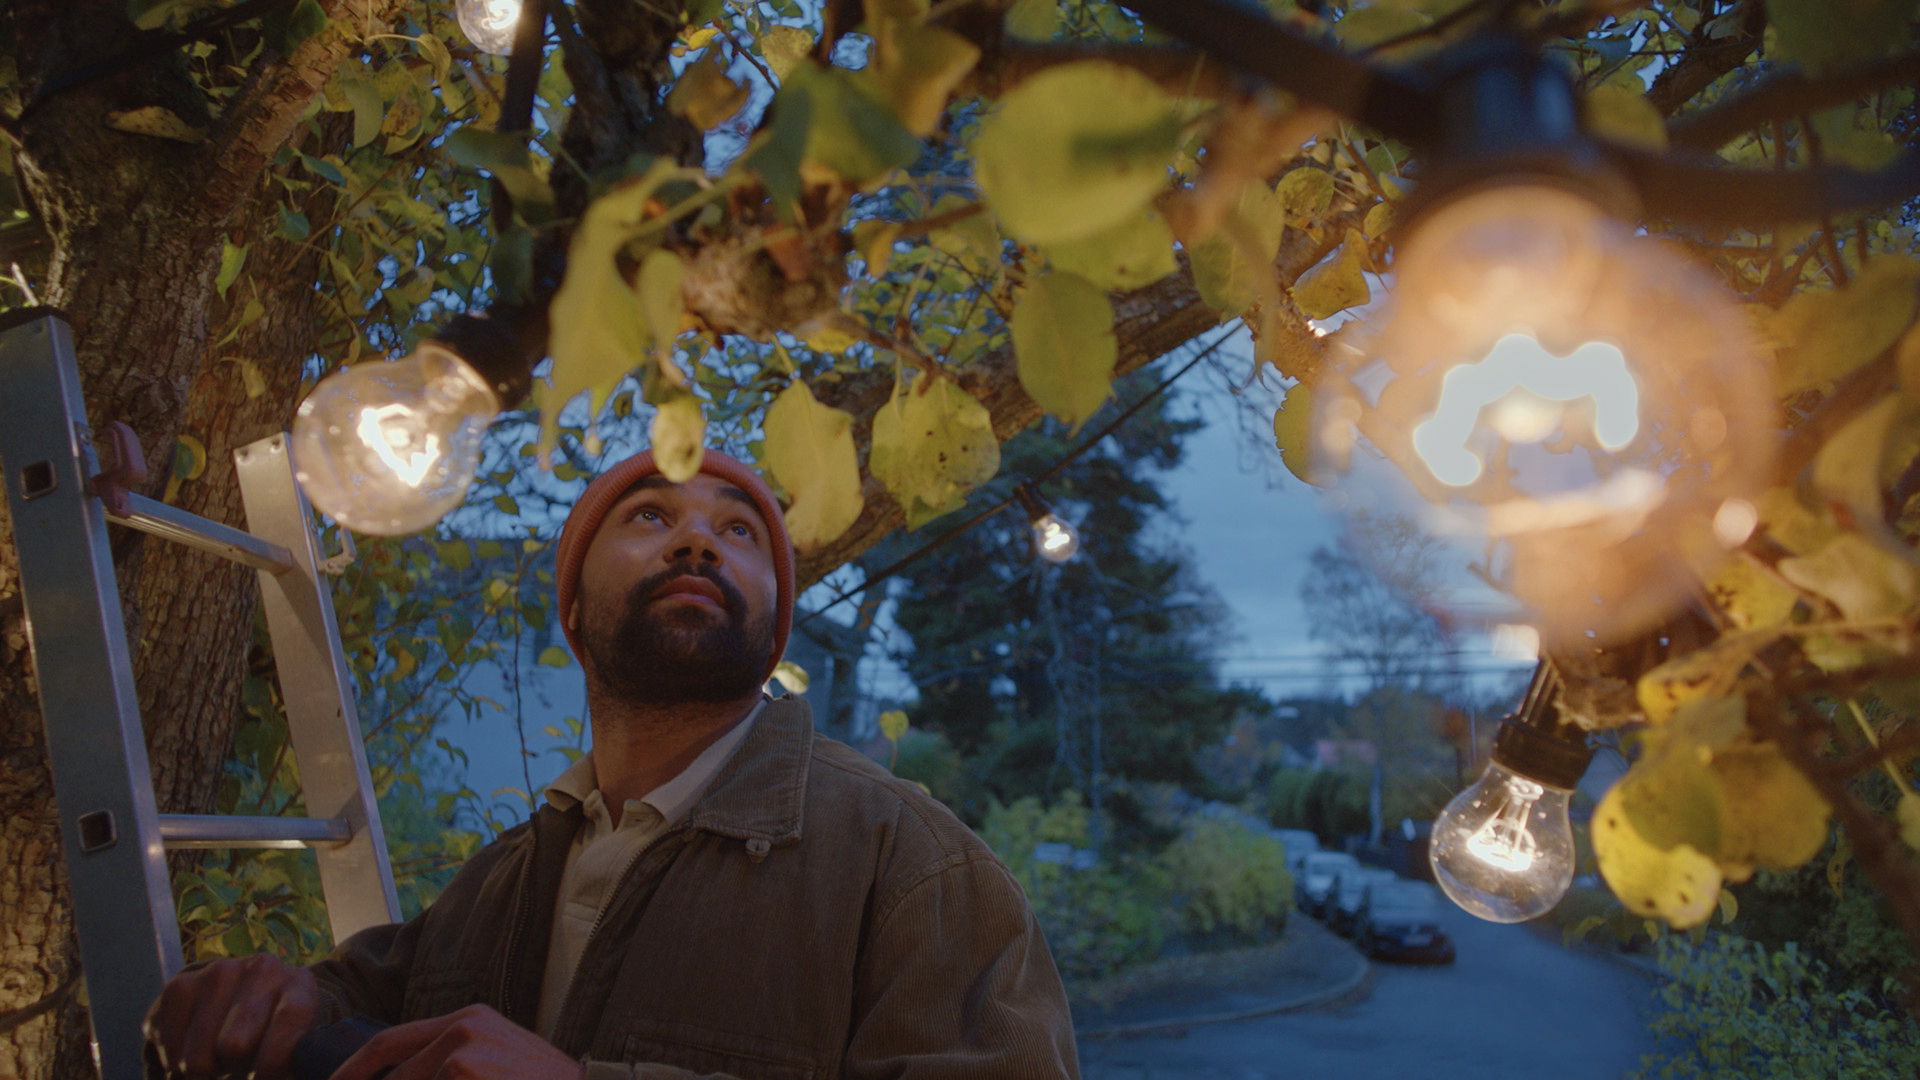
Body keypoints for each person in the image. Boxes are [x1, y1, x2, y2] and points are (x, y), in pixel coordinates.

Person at [145, 449, 1079, 1080]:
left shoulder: (913, 867)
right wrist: (275, 998)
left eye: (739, 532)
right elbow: (360, 1002)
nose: (696, 540)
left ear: (774, 627)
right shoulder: (499, 882)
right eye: (649, 515)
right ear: (574, 613)